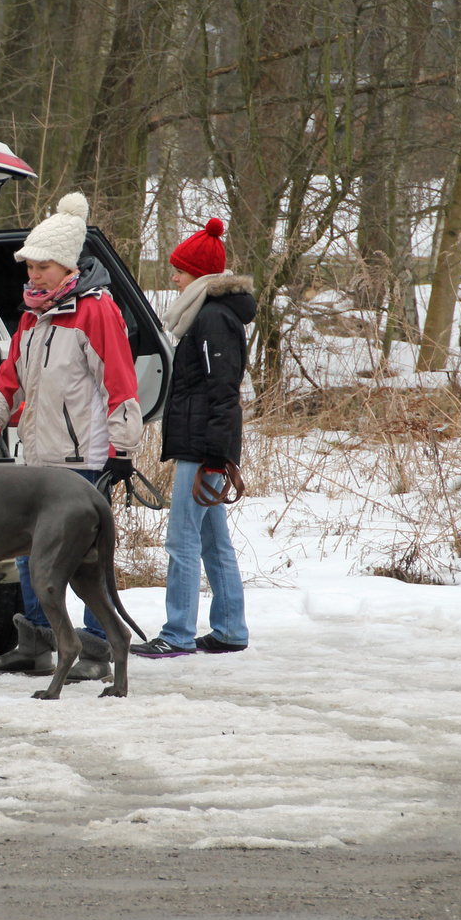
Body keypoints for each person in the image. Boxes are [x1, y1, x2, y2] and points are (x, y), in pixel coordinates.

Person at [0, 191, 142, 681]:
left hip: (83, 461)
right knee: (29, 558)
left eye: (42, 266)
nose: (33, 275)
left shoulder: (96, 311)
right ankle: (38, 644)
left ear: (67, 264)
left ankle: (97, 651)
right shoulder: (31, 315)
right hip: (38, 461)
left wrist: (122, 449)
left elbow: (120, 383)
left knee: (87, 563)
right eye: (28, 267)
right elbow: (9, 379)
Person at [131, 218, 255, 658]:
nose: (173, 277)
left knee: (181, 540)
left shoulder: (213, 320)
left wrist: (216, 458)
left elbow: (224, 392)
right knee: (212, 542)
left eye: (180, 270)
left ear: (200, 277)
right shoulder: (207, 316)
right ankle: (229, 630)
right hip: (205, 448)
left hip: (202, 451)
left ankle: (178, 634)